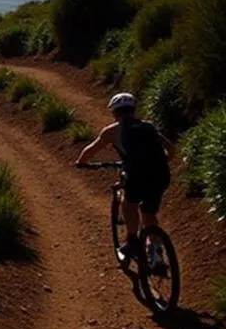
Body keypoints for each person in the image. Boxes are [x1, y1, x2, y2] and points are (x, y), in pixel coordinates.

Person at [75, 92, 175, 265]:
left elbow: (90, 151)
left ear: (114, 113)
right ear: (133, 110)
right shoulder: (148, 126)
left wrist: (81, 163)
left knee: (129, 203)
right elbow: (171, 150)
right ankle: (156, 255)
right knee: (149, 213)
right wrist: (158, 161)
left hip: (137, 177)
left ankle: (132, 241)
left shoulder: (111, 131)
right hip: (160, 175)